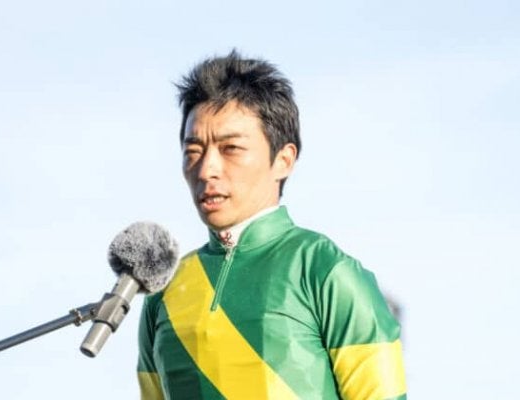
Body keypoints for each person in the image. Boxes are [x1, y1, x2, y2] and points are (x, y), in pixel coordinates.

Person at [136, 51, 406, 399]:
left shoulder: (325, 270)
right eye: (193, 151)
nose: (206, 169)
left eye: (231, 148)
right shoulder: (163, 291)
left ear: (284, 159)